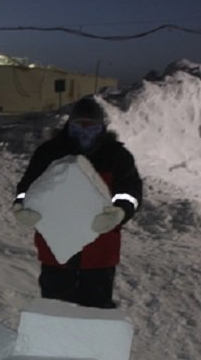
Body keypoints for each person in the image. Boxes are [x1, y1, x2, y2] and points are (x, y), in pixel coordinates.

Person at [12, 96, 143, 308]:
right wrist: (20, 205)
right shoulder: (49, 152)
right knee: (56, 311)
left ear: (101, 127)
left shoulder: (117, 156)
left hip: (99, 250)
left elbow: (131, 192)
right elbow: (27, 187)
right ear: (68, 125)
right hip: (56, 249)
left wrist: (120, 211)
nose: (84, 131)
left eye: (90, 125)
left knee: (95, 314)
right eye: (78, 124)